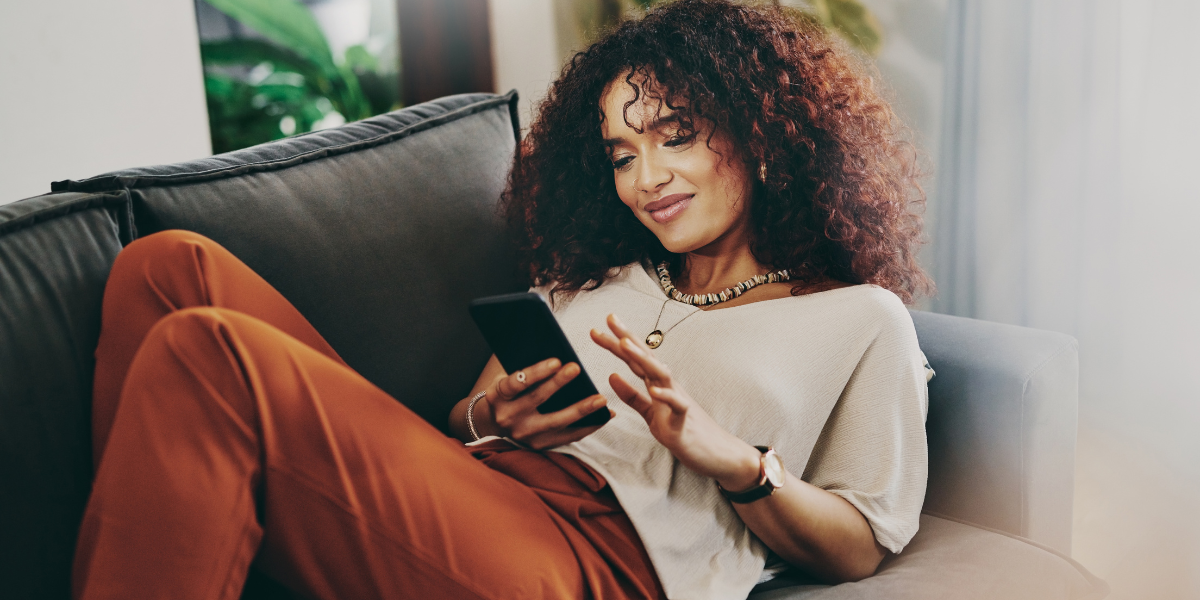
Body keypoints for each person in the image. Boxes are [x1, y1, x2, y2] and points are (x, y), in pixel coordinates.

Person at [72, 1, 933, 599]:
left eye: (675, 137)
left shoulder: (857, 319)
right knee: (164, 266)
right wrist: (495, 418)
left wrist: (733, 461)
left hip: (588, 561)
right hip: (478, 488)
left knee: (208, 352)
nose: (648, 178)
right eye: (622, 153)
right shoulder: (602, 276)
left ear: (763, 137)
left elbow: (860, 543)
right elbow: (464, 423)